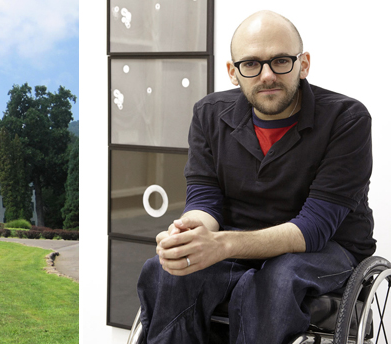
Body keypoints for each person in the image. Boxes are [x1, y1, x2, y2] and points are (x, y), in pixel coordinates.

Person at [136, 10, 375, 344]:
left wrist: (223, 244)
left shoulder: (347, 119)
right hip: (236, 238)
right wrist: (188, 233)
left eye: (280, 61)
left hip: (327, 245)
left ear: (303, 64)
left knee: (277, 280)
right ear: (233, 72)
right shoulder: (209, 114)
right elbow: (205, 200)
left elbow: (315, 227)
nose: (266, 76)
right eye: (251, 64)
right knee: (170, 270)